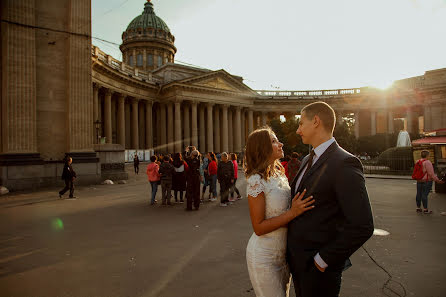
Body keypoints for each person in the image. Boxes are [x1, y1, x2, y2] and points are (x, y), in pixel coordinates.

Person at [287, 101, 374, 297]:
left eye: (301, 123)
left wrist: (322, 260)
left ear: (316, 121)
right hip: (299, 264)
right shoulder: (306, 160)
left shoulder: (344, 162)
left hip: (320, 270)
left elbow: (363, 225)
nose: (298, 130)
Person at [245, 127, 315, 297]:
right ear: (263, 148)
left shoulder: (279, 173)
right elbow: (259, 227)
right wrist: (293, 212)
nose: (280, 143)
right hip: (263, 257)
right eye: (274, 141)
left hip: (283, 255)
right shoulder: (256, 180)